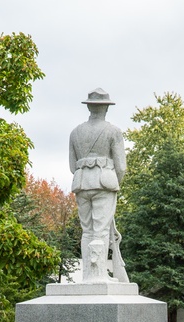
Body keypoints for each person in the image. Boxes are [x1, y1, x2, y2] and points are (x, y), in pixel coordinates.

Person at [69, 88, 128, 282]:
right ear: (106, 109)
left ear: (89, 108)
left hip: (82, 183)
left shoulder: (75, 132)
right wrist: (113, 183)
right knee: (101, 231)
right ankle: (99, 275)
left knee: (87, 231)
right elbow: (121, 166)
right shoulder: (114, 131)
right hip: (105, 183)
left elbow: (72, 166)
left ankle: (88, 275)